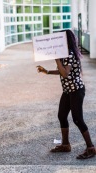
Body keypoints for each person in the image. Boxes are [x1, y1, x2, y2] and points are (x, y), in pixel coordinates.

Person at [37, 29, 95, 159]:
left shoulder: (69, 54)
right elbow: (62, 71)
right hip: (68, 90)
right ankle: (65, 144)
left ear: (65, 40)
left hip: (76, 90)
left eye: (59, 38)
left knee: (77, 119)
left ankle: (91, 148)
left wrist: (56, 58)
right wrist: (47, 72)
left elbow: (65, 73)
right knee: (62, 116)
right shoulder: (65, 53)